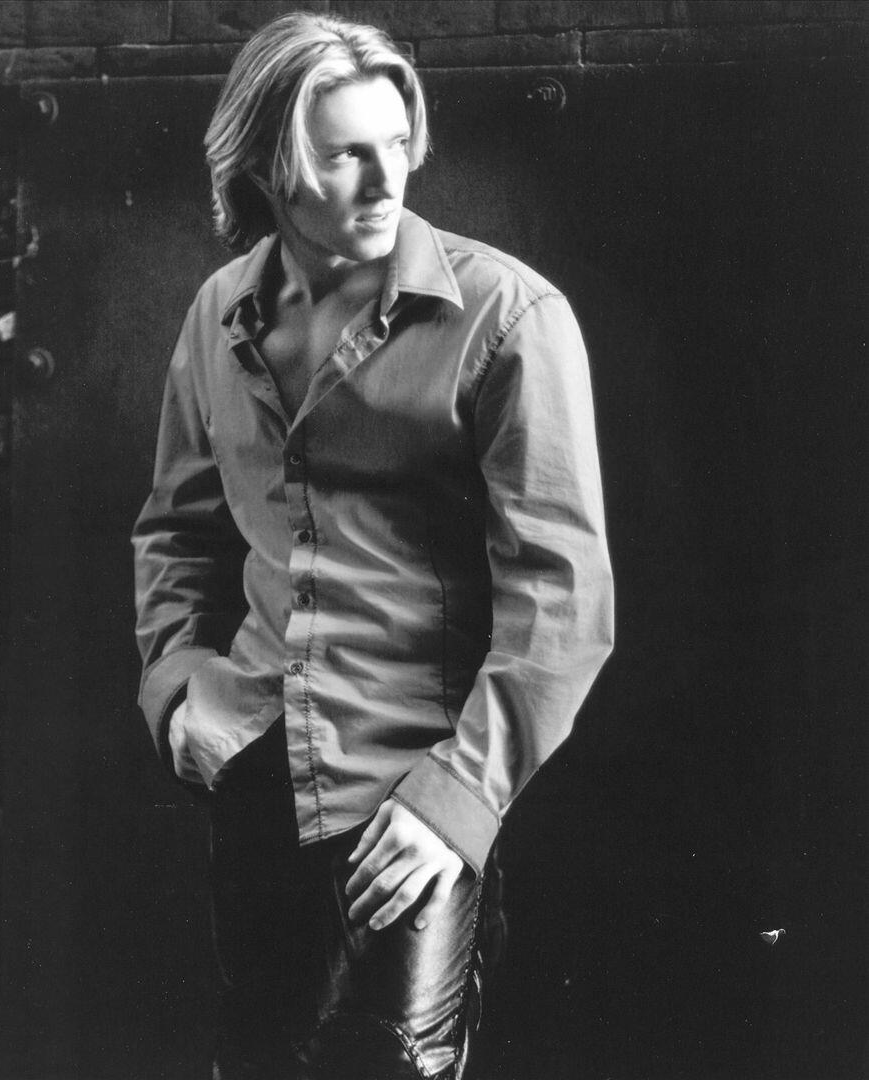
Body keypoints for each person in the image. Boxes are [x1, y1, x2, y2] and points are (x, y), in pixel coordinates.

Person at [132, 11, 614, 1079]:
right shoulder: (216, 314)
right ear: (268, 168)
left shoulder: (507, 316)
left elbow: (564, 599)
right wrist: (174, 683)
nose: (385, 180)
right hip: (253, 768)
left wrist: (459, 799)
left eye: (396, 143)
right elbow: (176, 529)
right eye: (346, 154)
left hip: (412, 789)